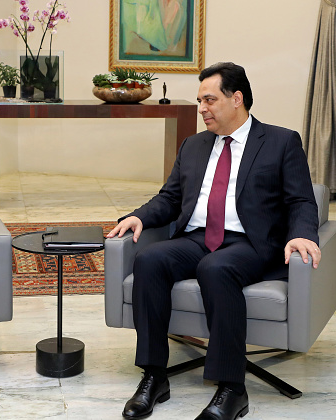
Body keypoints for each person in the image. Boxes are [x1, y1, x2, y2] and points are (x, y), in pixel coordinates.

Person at [107, 62, 321, 420]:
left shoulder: (281, 141)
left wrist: (301, 233)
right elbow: (170, 198)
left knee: (216, 268)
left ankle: (232, 389)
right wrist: (139, 215)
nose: (201, 108)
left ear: (236, 99)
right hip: (198, 237)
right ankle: (154, 376)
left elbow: (300, 200)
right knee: (149, 260)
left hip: (250, 243)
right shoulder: (193, 145)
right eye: (199, 100)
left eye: (209, 99)